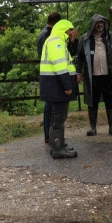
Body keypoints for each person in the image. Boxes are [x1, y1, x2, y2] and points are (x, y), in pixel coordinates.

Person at [74, 14, 112, 137]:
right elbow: (79, 57)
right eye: (97, 23)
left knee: (110, 100)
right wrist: (78, 73)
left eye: (102, 23)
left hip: (109, 75)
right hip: (92, 76)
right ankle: (92, 127)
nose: (100, 25)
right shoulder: (85, 39)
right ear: (93, 24)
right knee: (92, 101)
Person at [39, 19, 79, 159]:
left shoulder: (57, 41)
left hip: (54, 85)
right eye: (70, 30)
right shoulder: (56, 42)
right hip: (56, 85)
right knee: (59, 117)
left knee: (56, 116)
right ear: (64, 30)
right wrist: (67, 86)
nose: (72, 33)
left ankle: (57, 144)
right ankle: (57, 148)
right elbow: (60, 66)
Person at [36, 11, 62, 144]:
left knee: (51, 105)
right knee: (50, 106)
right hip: (50, 75)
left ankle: (51, 134)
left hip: (49, 75)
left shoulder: (45, 34)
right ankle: (49, 135)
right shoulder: (47, 35)